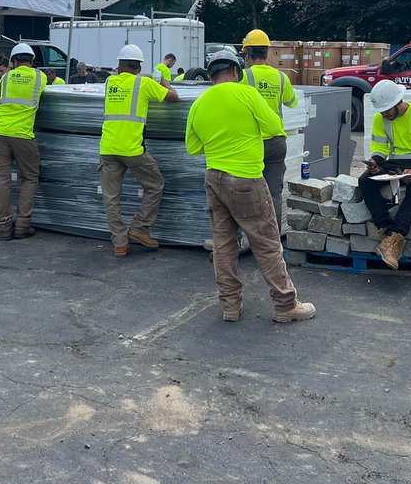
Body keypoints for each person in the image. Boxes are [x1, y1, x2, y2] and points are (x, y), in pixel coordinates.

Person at [186, 47, 316, 324]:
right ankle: (285, 304)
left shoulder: (200, 102)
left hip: (214, 178)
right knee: (267, 242)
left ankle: (230, 306)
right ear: (236, 71)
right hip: (246, 179)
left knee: (223, 245)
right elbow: (273, 128)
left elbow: (193, 146)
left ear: (211, 75)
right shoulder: (247, 94)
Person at [99, 44, 179, 257]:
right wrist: (164, 82)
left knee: (111, 197)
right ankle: (140, 227)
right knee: (155, 184)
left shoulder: (109, 82)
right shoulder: (143, 83)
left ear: (119, 64)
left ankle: (120, 243)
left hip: (108, 148)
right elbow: (174, 97)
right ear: (139, 66)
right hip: (133, 149)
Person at [358, 80, 411, 270]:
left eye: (387, 109)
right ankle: (385, 229)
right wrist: (376, 164)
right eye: (382, 110)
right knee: (365, 180)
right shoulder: (381, 118)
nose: (384, 114)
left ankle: (395, 237)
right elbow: (379, 148)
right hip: (395, 163)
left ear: (398, 102)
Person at [239, 28, 299, 232]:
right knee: (273, 192)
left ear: (248, 54)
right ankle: (272, 240)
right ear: (267, 52)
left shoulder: (244, 76)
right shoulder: (281, 77)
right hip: (276, 142)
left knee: (244, 191)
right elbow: (292, 102)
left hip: (252, 142)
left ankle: (244, 239)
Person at [0, 45, 46, 239]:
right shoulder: (40, 77)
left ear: (13, 61)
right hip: (22, 134)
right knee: (29, 177)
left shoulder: (5, 78)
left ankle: (4, 228)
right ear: (32, 60)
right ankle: (22, 225)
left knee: (1, 180)